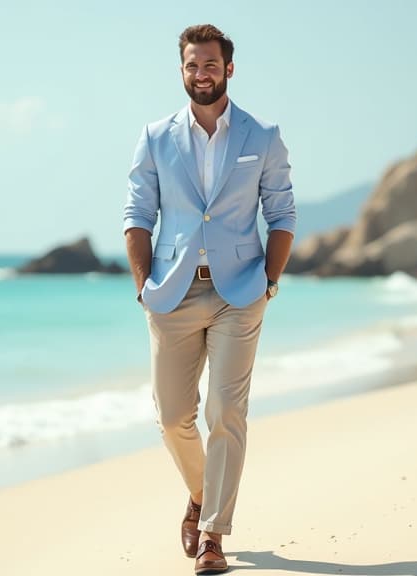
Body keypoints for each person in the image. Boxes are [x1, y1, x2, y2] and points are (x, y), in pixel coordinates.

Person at [122, 23, 296, 575]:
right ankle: (200, 494)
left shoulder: (261, 135)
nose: (202, 74)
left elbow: (283, 213)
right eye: (193, 65)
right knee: (173, 416)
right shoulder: (154, 137)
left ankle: (214, 535)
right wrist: (143, 286)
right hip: (171, 293)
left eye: (211, 65)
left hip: (239, 292)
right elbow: (136, 216)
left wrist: (268, 282)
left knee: (226, 411)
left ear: (229, 69)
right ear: (182, 70)